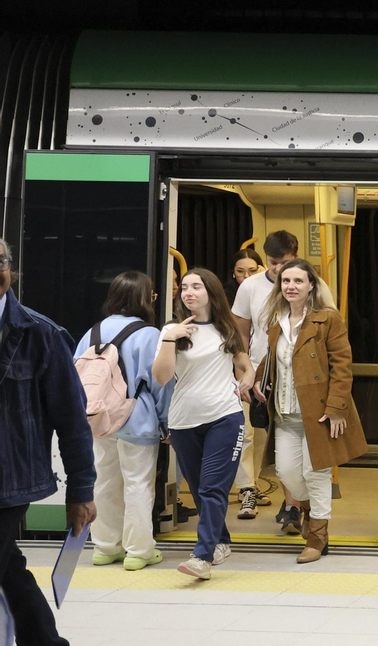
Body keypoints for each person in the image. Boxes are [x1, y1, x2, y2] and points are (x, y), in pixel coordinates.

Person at [0, 237, 95, 646]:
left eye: (0, 261)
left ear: (10, 271)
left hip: (9, 479)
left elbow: (72, 420)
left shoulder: (40, 333)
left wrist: (81, 491)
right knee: (8, 567)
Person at [254, 260, 366, 564]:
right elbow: (274, 361)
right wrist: (255, 380)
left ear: (311, 286)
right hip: (285, 413)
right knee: (286, 473)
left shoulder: (328, 320)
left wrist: (337, 408)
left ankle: (318, 537)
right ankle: (307, 510)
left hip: (318, 414)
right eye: (286, 281)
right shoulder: (276, 321)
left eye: (298, 281)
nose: (290, 286)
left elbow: (342, 367)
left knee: (315, 474)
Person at [153, 268, 253, 581]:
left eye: (196, 286)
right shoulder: (171, 330)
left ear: (210, 291)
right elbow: (161, 377)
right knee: (199, 490)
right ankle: (221, 540)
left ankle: (202, 555)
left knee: (212, 487)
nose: (189, 292)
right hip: (183, 421)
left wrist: (245, 382)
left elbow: (244, 366)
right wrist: (170, 338)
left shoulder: (226, 329)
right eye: (184, 287)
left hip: (224, 417)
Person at [73, 271, 172, 571]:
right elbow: (161, 382)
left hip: (99, 421)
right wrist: (166, 422)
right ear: (144, 299)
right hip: (136, 420)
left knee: (103, 483)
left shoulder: (92, 332)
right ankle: (139, 551)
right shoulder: (150, 334)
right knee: (138, 485)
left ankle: (105, 547)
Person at [232, 231, 298, 527]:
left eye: (283, 262)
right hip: (257, 373)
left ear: (294, 256)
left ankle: (294, 502)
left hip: (295, 376)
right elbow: (240, 335)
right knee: (250, 434)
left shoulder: (307, 283)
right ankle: (249, 489)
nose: (276, 269)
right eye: (272, 262)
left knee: (288, 441)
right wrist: (241, 373)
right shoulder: (250, 287)